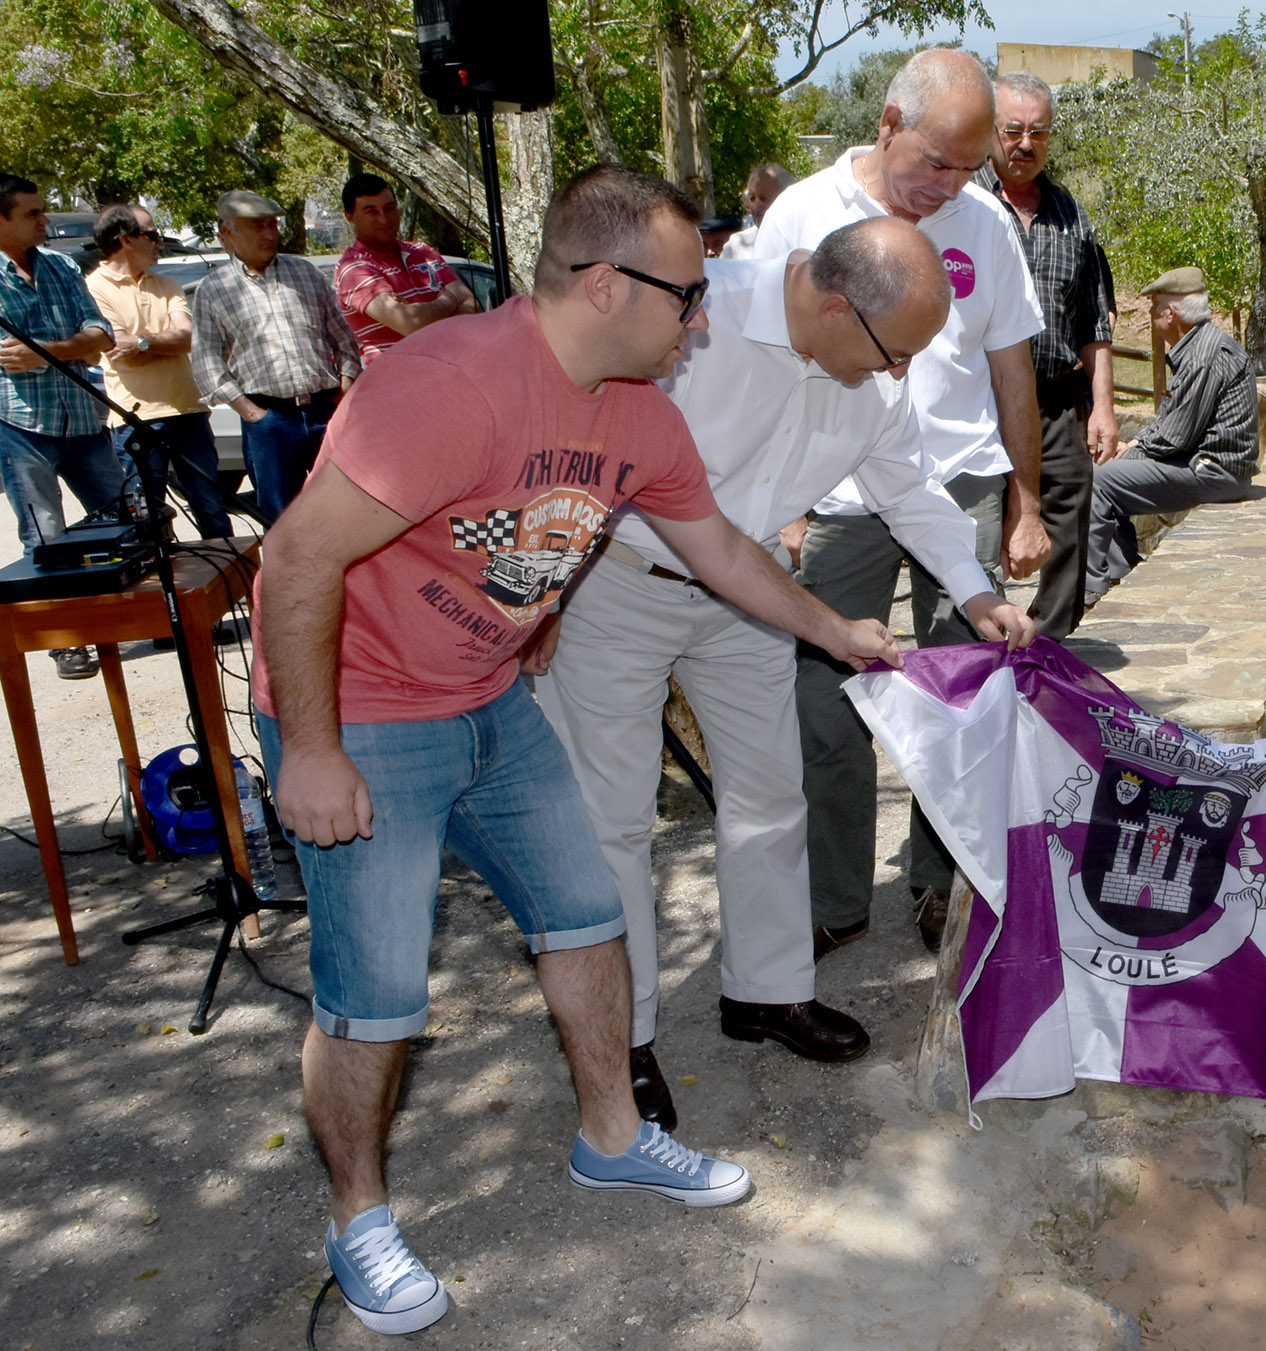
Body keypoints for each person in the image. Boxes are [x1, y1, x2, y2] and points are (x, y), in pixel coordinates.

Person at [252, 164, 901, 1338]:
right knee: (377, 996)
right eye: (687, 297)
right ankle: (358, 1217)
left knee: (587, 915)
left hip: (489, 697)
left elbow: (729, 557)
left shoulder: (641, 413)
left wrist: (838, 633)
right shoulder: (449, 384)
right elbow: (298, 561)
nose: (702, 320)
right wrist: (309, 746)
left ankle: (613, 1137)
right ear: (606, 284)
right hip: (362, 709)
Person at [536, 217, 1039, 1128]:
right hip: (620, 579)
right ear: (835, 305)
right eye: (893, 354)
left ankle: (765, 991)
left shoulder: (879, 369)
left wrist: (975, 595)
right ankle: (626, 1034)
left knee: (772, 795)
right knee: (613, 819)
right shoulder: (695, 315)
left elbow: (908, 488)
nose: (898, 376)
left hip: (754, 588)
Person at [754, 47, 1049, 955]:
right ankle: (832, 897)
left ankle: (939, 884)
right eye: (935, 163)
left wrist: (1024, 501)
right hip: (834, 494)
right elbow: (767, 372)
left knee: (959, 697)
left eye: (969, 166)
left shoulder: (986, 224)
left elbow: (1012, 369)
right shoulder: (803, 213)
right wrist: (787, 508)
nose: (951, 185)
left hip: (949, 482)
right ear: (888, 125)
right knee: (822, 694)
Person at [977, 71, 1119, 638]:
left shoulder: (1070, 215)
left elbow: (1094, 321)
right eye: (1013, 130)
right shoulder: (964, 208)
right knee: (980, 521)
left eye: (1038, 132)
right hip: (981, 398)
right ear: (991, 131)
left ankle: (1050, 641)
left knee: (1070, 513)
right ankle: (980, 638)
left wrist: (1103, 408)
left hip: (1058, 399)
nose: (1025, 144)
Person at [0, 173, 126, 681]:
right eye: (32, 213)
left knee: (123, 518)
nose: (45, 221)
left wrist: (51, 351)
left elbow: (101, 335)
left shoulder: (60, 266)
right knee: (45, 535)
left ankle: (135, 617)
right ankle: (66, 642)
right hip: (20, 426)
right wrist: (68, 347)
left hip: (83, 417)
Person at [1083, 266, 1258, 606]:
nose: (1150, 316)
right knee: (1108, 474)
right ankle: (1121, 570)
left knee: (1098, 480)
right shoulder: (1204, 346)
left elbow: (1175, 437)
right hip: (1211, 464)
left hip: (1213, 471)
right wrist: (1134, 445)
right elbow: (1174, 425)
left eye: (1153, 309)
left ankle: (1091, 589)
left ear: (1170, 313)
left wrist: (1127, 452)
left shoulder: (1204, 357)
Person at [189, 188, 361, 519]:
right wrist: (251, 412)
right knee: (283, 520)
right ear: (227, 234)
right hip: (271, 420)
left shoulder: (305, 273)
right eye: (257, 226)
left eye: (272, 224)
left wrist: (345, 388)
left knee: (347, 509)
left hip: (325, 409)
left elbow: (343, 336)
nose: (269, 234)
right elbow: (206, 363)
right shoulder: (214, 289)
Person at [86, 204, 233, 541]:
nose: (160, 243)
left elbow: (189, 337)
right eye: (152, 235)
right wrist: (156, 342)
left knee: (211, 507)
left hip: (188, 411)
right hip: (136, 419)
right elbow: (119, 352)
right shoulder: (94, 288)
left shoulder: (165, 282)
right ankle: (162, 593)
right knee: (148, 518)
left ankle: (231, 587)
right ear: (125, 240)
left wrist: (140, 342)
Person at [333, 172, 478, 365]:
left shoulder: (423, 251)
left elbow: (473, 306)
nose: (384, 219)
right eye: (371, 211)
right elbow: (410, 322)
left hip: (448, 373)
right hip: (396, 383)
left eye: (389, 208)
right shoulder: (354, 269)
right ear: (350, 216)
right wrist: (450, 299)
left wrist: (424, 314)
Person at [721, 163, 798, 259]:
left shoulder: (803, 239)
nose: (756, 205)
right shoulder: (735, 246)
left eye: (764, 198)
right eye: (752, 198)